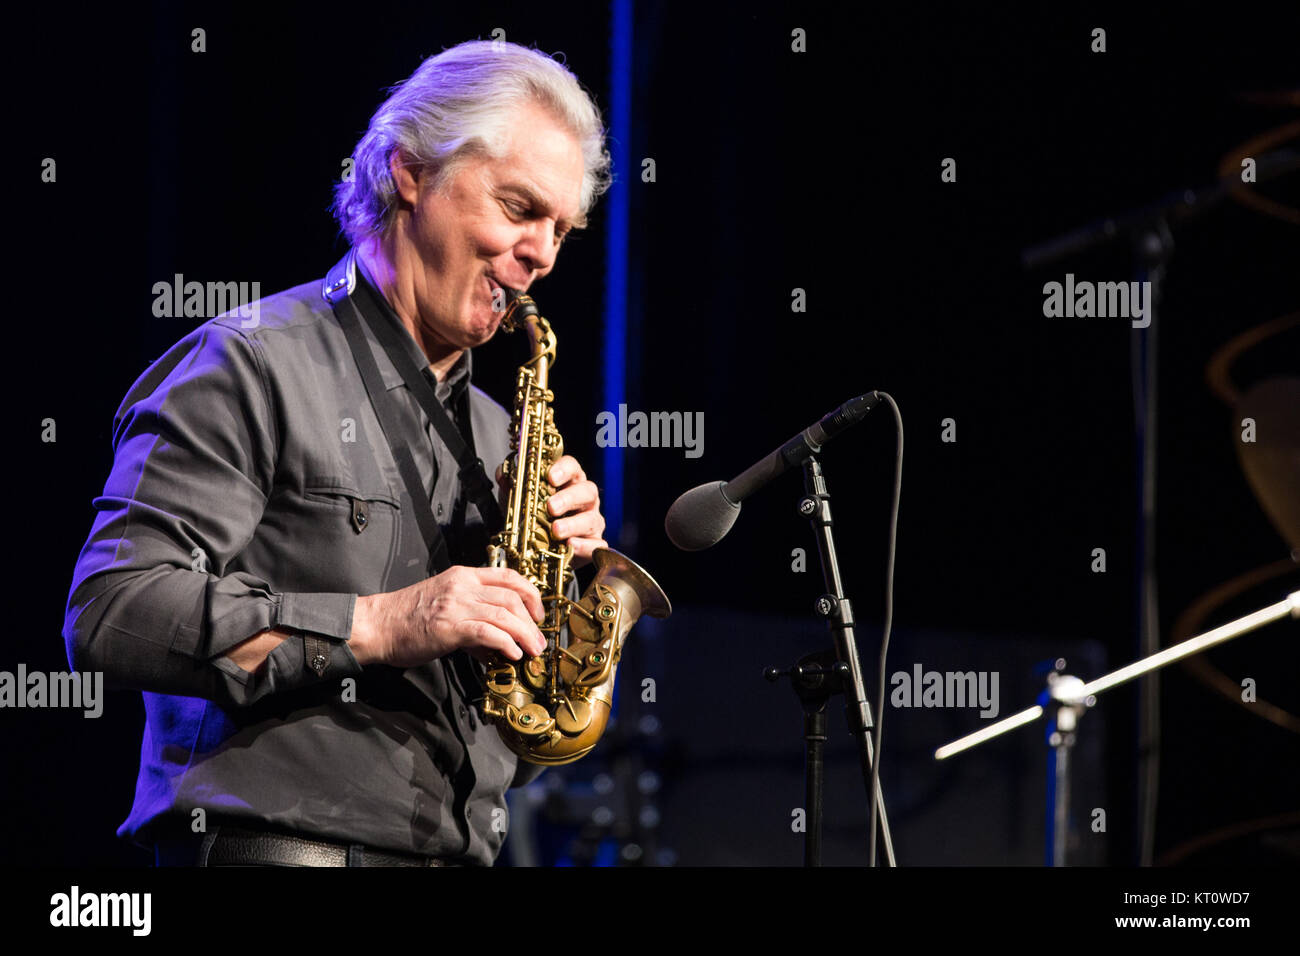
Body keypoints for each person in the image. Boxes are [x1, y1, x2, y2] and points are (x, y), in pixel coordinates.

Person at [62, 40, 613, 867]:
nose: (542, 254)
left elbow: (522, 751)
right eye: (519, 207)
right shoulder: (249, 362)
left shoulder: (505, 439)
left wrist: (566, 609)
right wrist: (385, 624)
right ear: (411, 171)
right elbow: (110, 611)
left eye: (561, 229)